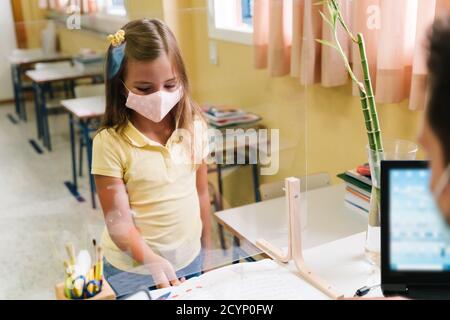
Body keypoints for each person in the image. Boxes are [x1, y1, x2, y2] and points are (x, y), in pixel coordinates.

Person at [91, 19, 212, 298]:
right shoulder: (110, 143)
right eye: (144, 89)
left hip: (189, 259)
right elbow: (118, 222)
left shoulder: (195, 127)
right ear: (120, 85)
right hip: (132, 271)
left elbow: (202, 193)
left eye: (170, 84)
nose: (160, 96)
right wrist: (151, 259)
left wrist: (208, 250)